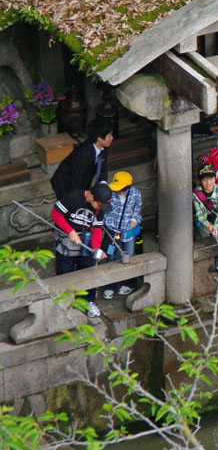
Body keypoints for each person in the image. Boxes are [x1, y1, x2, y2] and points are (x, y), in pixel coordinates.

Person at [51, 183, 111, 318]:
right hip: (66, 240)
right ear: (90, 196)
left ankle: (88, 301)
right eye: (99, 205)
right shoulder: (72, 197)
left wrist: (96, 249)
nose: (100, 208)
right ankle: (64, 302)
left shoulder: (100, 208)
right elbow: (55, 214)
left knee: (88, 271)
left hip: (85, 242)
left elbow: (96, 229)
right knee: (64, 272)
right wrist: (70, 231)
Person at [101, 171, 142, 299]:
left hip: (128, 231)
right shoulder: (110, 193)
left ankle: (128, 282)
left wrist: (134, 220)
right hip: (112, 230)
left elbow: (137, 209)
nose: (119, 192)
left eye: (122, 190)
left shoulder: (135, 194)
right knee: (111, 257)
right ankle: (110, 285)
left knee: (128, 256)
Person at [50, 118, 114, 199]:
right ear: (100, 138)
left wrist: (103, 185)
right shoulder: (84, 154)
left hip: (83, 181)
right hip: (65, 183)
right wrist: (81, 196)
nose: (112, 138)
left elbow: (103, 167)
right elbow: (77, 180)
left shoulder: (104, 147)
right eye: (109, 136)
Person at [193, 165, 218, 281]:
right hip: (203, 223)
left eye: (211, 179)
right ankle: (203, 265)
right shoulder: (196, 194)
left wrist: (216, 226)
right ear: (200, 181)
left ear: (215, 179)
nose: (208, 183)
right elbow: (199, 214)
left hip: (217, 221)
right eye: (204, 180)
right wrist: (208, 225)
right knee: (202, 241)